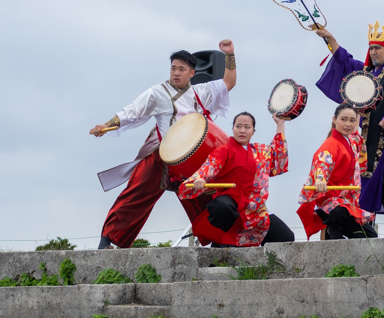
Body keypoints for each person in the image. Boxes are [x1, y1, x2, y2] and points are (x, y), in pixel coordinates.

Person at [89, 41, 236, 249]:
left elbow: (229, 82)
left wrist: (230, 55)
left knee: (202, 194)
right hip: (161, 151)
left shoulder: (201, 92)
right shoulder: (157, 93)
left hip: (190, 156)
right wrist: (106, 125)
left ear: (192, 73)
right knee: (138, 191)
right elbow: (132, 111)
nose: (176, 73)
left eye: (181, 69)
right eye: (173, 68)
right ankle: (108, 240)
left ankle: (216, 240)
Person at [315, 22, 384, 236]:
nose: (373, 52)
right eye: (371, 48)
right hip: (363, 145)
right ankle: (366, 235)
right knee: (364, 191)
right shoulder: (366, 72)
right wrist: (331, 41)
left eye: (377, 48)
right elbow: (345, 61)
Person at [178, 112, 294, 247]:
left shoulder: (262, 151)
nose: (242, 130)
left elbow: (278, 155)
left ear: (253, 131)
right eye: (238, 126)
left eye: (247, 127)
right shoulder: (224, 151)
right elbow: (210, 167)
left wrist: (280, 124)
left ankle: (254, 256)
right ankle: (225, 241)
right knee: (221, 207)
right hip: (231, 204)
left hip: (255, 209)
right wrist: (201, 179)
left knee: (286, 237)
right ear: (233, 129)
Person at [297, 103, 378, 240]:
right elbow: (322, 162)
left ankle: (334, 226)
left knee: (370, 236)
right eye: (343, 119)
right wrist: (321, 179)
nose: (348, 124)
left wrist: (359, 105)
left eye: (352, 120)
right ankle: (330, 226)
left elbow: (357, 136)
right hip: (331, 200)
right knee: (338, 212)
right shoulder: (331, 144)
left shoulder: (352, 140)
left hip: (347, 201)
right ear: (334, 120)